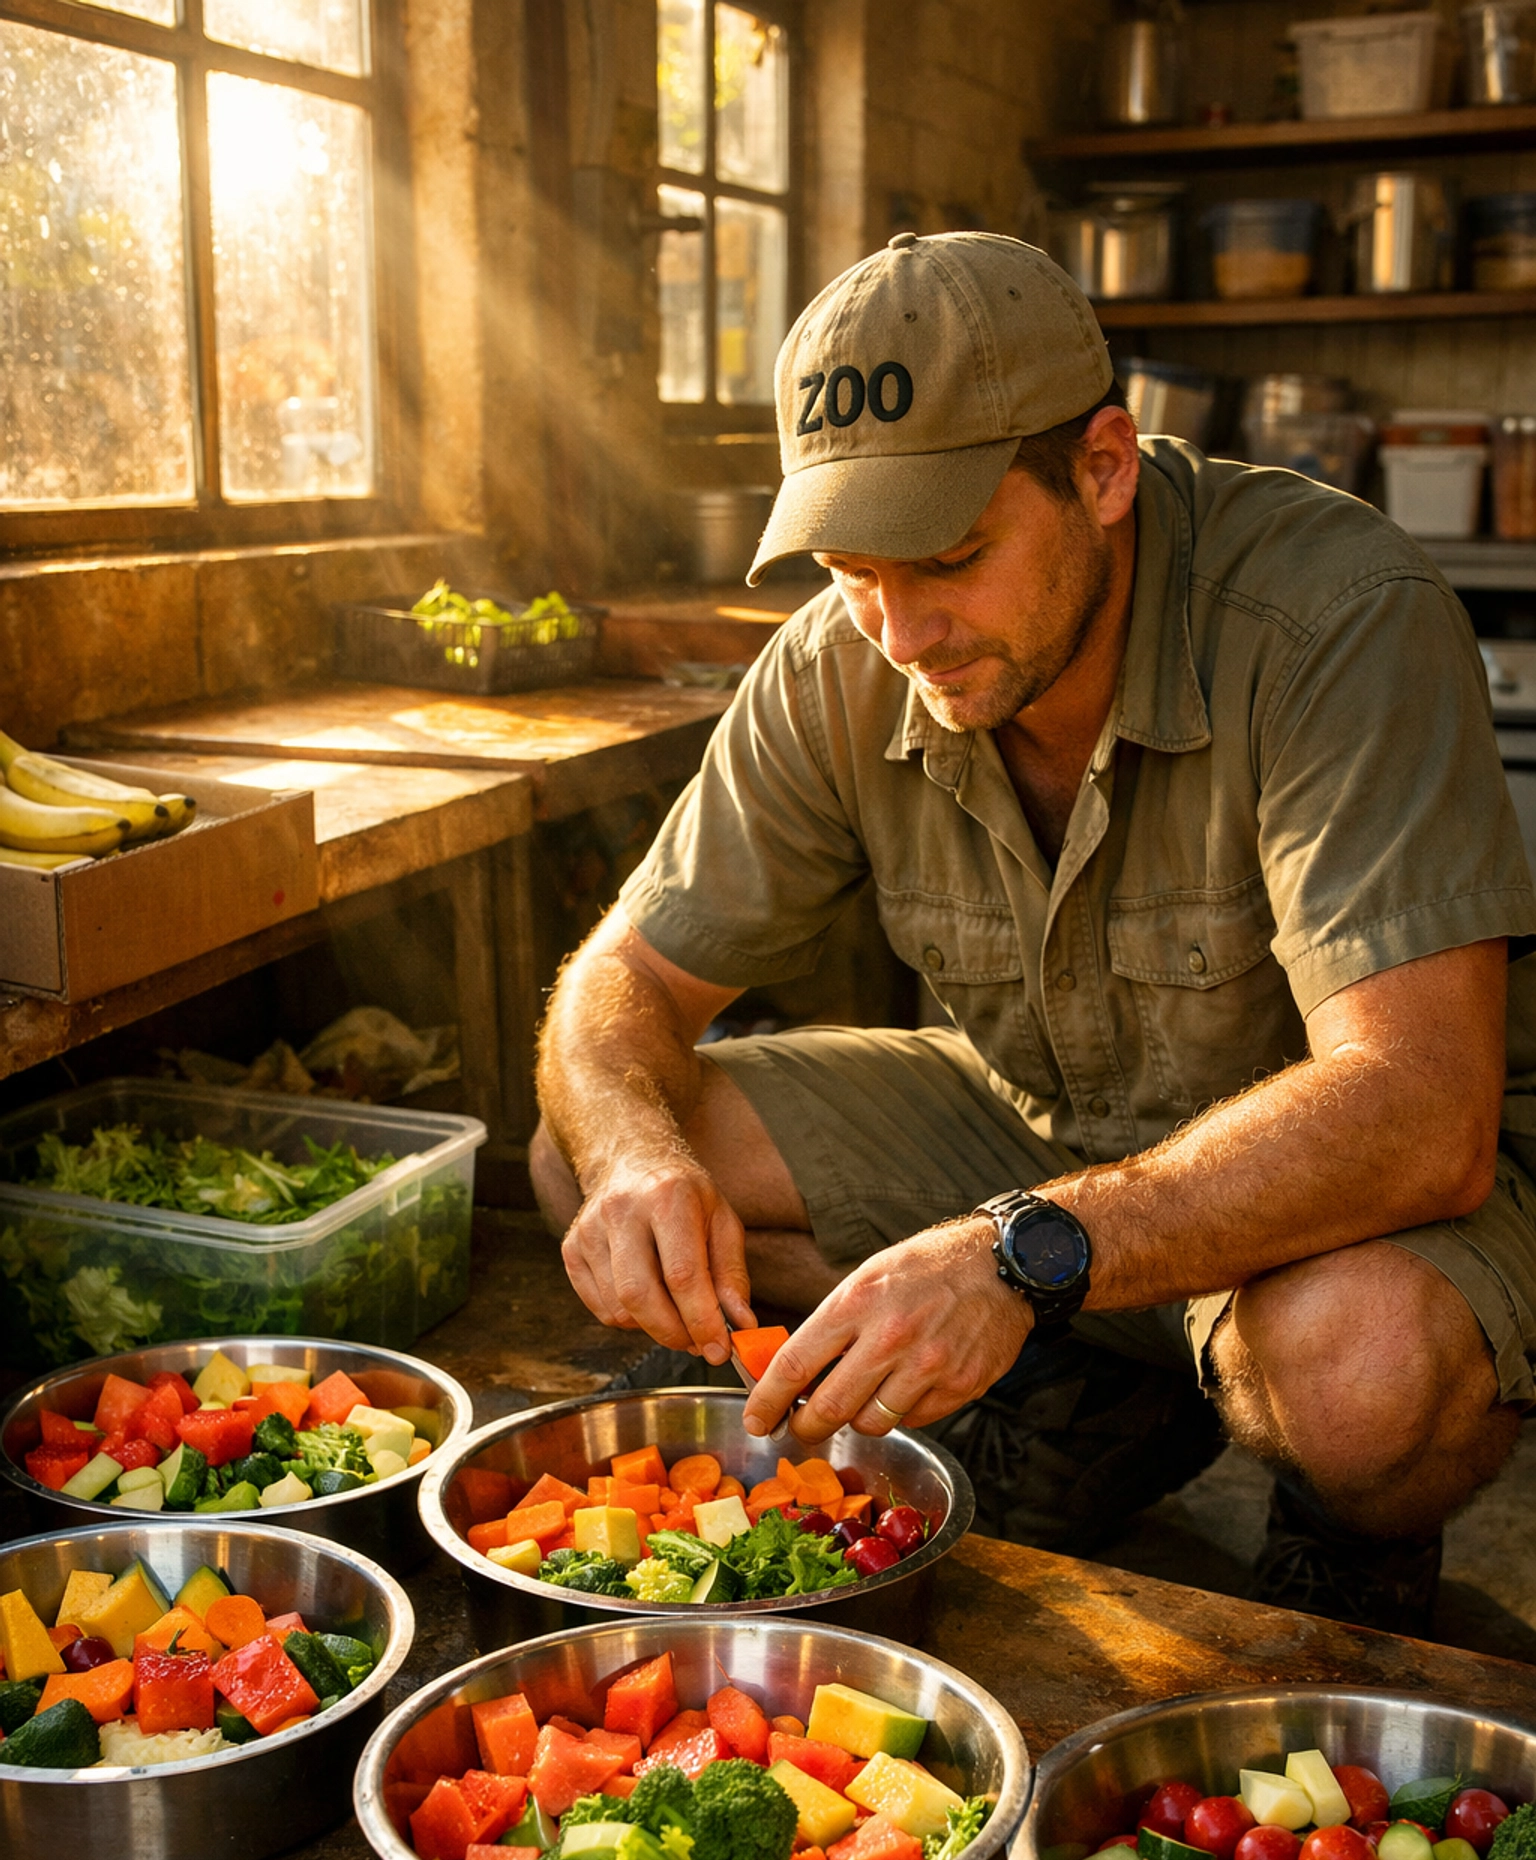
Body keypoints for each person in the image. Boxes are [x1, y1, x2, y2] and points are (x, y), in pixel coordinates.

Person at [533, 229, 1536, 1636]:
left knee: (1357, 1369)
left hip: (1351, 1190)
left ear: (1105, 470)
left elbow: (1421, 1111)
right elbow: (615, 987)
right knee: (594, 1142)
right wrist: (635, 1150)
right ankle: (1090, 1392)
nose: (902, 629)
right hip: (1050, 1136)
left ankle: (1342, 1533)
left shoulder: (1333, 617)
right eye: (849, 568)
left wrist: (1013, 1259)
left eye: (952, 556)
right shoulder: (847, 650)